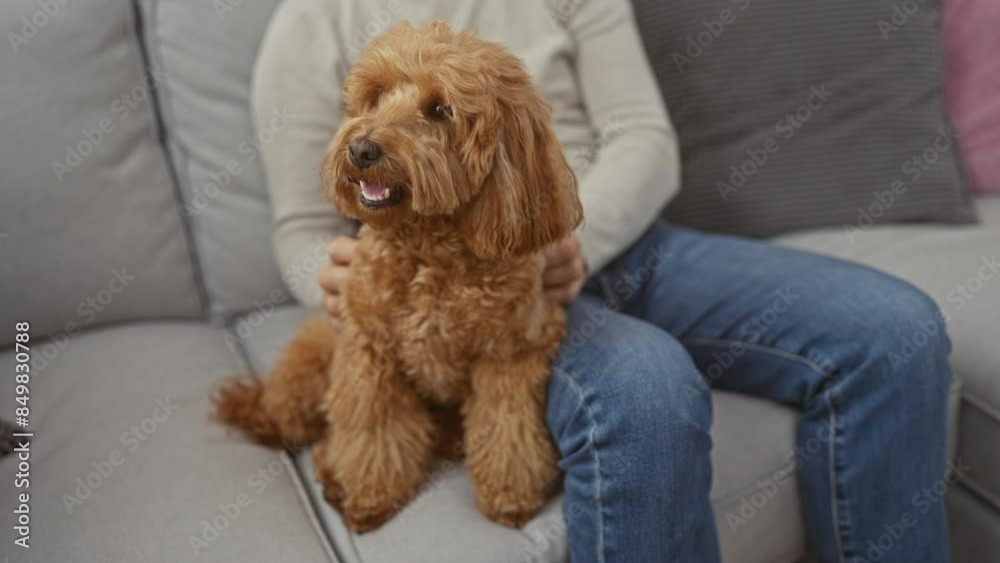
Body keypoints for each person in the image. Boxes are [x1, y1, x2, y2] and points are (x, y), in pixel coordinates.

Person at [252, 1, 953, 561]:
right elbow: (301, 222)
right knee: (648, 394)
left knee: (897, 329)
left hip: (624, 241)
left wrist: (565, 239)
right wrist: (327, 275)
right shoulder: (311, 20)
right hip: (452, 285)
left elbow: (643, 135)